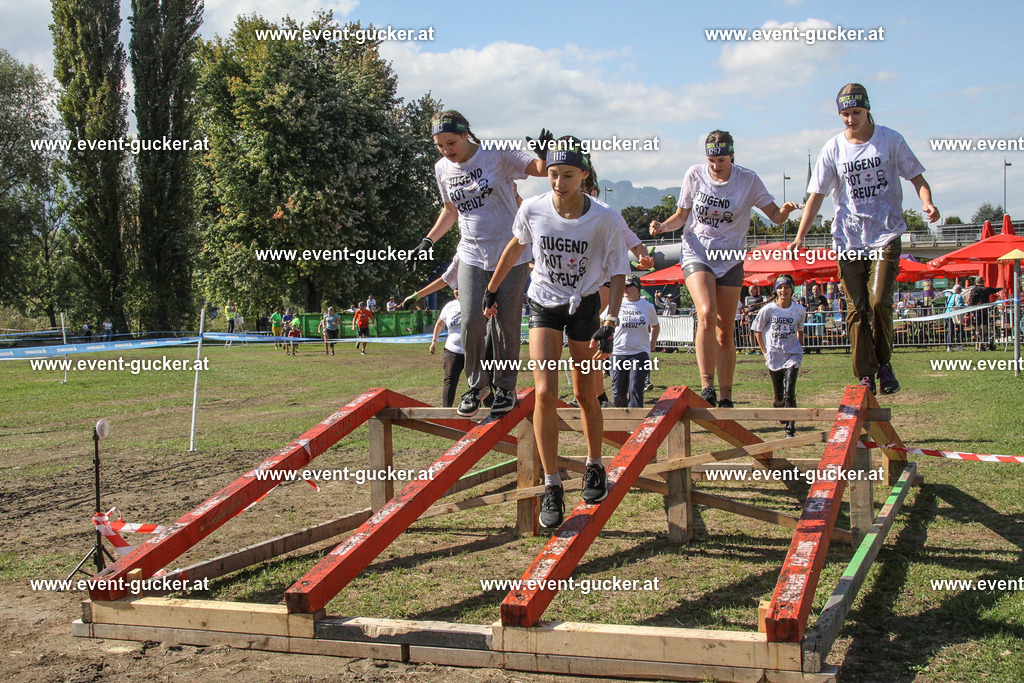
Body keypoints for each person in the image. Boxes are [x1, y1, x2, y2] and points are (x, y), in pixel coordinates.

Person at [483, 136, 630, 528]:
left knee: (585, 392)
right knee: (545, 392)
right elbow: (516, 245)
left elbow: (618, 272)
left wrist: (610, 321)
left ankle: (595, 464)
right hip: (544, 303)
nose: (558, 182)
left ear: (584, 175)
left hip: (585, 307)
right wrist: (493, 286)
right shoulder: (532, 208)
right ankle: (552, 484)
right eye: (552, 174)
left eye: (567, 175)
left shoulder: (605, 217)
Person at [789, 83, 939, 394]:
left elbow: (917, 178)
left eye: (856, 112)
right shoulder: (833, 148)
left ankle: (884, 362)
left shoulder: (890, 140)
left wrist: (927, 202)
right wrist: (800, 236)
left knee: (880, 301)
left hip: (886, 234)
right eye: (844, 114)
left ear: (867, 109)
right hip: (848, 239)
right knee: (855, 309)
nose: (850, 119)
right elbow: (816, 195)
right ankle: (866, 374)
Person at [407, 110, 547, 417]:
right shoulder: (442, 168)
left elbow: (538, 169)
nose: (446, 150)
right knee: (471, 319)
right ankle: (478, 385)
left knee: (505, 324)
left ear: (466, 134)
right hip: (470, 252)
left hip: (510, 251)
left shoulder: (496, 154)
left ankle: (506, 388)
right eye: (439, 145)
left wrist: (544, 155)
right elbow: (449, 209)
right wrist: (428, 240)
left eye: (451, 142)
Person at [650, 130, 798, 407]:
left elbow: (776, 217)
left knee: (725, 329)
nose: (716, 165)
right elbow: (681, 216)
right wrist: (662, 227)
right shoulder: (695, 175)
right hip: (698, 251)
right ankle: (707, 385)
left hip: (730, 256)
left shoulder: (748, 180)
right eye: (711, 160)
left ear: (731, 156)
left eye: (721, 160)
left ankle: (727, 394)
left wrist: (786, 211)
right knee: (706, 312)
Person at [751, 275, 806, 438]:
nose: (784, 290)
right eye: (780, 287)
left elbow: (800, 329)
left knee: (790, 392)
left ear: (792, 289)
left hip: (792, 354)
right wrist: (764, 352)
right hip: (774, 355)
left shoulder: (799, 310)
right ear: (776, 290)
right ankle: (779, 405)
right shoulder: (768, 310)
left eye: (787, 287)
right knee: (779, 397)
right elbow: (757, 330)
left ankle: (790, 428)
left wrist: (799, 347)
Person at [604, 274, 659, 408]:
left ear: (638, 287)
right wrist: (605, 341)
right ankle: (622, 421)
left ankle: (635, 423)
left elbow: (655, 326)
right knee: (618, 391)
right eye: (623, 286)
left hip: (640, 352)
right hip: (618, 352)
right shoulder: (616, 304)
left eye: (629, 286)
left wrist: (652, 344)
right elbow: (603, 321)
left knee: (635, 387)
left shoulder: (647, 306)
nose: (625, 289)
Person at [430, 290, 465, 407]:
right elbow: (440, 324)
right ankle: (446, 413)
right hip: (452, 350)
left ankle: (482, 415)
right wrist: (434, 341)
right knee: (449, 380)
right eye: (455, 290)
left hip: (473, 350)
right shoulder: (450, 306)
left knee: (478, 383)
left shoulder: (477, 302)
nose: (457, 291)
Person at [966, 276, 1001, 350]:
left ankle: (979, 345)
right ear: (983, 281)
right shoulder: (986, 289)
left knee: (977, 328)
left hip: (977, 311)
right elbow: (993, 290)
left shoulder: (973, 290)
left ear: (976, 282)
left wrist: (969, 311)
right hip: (985, 310)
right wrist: (1000, 288)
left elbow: (971, 301)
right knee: (985, 328)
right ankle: (986, 343)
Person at [944, 284, 965, 352]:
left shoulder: (949, 296)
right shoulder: (959, 296)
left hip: (948, 314)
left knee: (950, 331)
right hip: (955, 315)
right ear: (959, 290)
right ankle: (959, 345)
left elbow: (947, 305)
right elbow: (960, 305)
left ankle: (949, 347)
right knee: (960, 329)